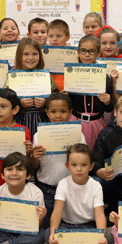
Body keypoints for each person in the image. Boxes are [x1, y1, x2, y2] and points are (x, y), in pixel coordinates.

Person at [44, 143, 118, 244]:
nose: (79, 169)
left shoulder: (95, 185)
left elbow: (99, 215)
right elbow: (57, 212)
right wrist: (53, 234)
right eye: (74, 165)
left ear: (91, 166)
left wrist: (101, 236)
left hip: (88, 226)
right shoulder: (63, 184)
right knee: (48, 233)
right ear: (67, 166)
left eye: (84, 165)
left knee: (109, 236)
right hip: (67, 226)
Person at [32, 93, 86, 228]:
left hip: (72, 188)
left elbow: (84, 163)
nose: (58, 116)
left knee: (71, 224)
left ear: (70, 113)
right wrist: (34, 157)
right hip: (47, 190)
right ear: (47, 113)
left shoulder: (78, 135)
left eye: (63, 111)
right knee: (46, 227)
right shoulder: (38, 136)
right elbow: (34, 167)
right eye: (53, 112)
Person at [69, 35, 114, 149]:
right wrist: (64, 97)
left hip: (96, 122)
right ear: (78, 52)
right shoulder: (71, 75)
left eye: (91, 51)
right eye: (83, 51)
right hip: (75, 122)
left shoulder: (105, 77)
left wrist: (108, 102)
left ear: (99, 53)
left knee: (96, 153)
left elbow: (109, 108)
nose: (87, 54)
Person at [0, 89, 32, 192]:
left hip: (17, 185)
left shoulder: (23, 131)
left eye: (3, 106)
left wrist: (28, 152)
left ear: (15, 110)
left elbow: (27, 163)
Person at [11, 37, 59, 136]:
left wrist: (46, 103)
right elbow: (5, 100)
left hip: (42, 120)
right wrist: (19, 104)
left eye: (35, 54)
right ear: (19, 56)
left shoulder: (46, 76)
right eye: (26, 54)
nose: (30, 58)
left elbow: (57, 98)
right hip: (21, 120)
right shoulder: (13, 77)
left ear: (40, 56)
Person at [47, 19, 71, 91]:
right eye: (51, 36)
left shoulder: (73, 54)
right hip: (50, 92)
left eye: (59, 36)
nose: (54, 39)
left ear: (68, 37)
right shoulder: (44, 55)